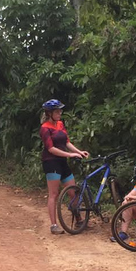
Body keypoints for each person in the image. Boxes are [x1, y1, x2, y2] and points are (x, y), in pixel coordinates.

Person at [39, 99, 89, 234]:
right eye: (57, 111)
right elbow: (51, 149)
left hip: (62, 161)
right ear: (49, 113)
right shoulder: (45, 128)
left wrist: (78, 152)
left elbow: (66, 142)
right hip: (51, 162)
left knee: (73, 191)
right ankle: (53, 225)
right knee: (54, 194)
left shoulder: (60, 124)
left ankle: (78, 219)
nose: (60, 113)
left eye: (60, 111)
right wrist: (70, 155)